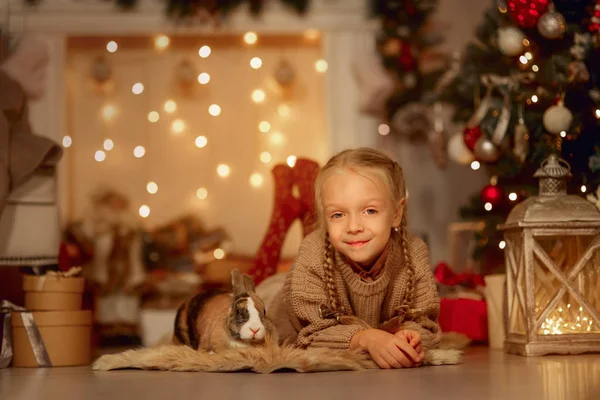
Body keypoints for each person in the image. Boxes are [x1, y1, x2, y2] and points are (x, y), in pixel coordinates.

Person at [269, 147, 441, 369]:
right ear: (325, 217)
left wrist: (411, 336)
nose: (353, 227)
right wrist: (364, 338)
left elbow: (424, 322)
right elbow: (310, 336)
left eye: (369, 211)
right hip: (281, 300)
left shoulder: (413, 253)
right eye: (338, 215)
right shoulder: (313, 253)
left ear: (396, 213)